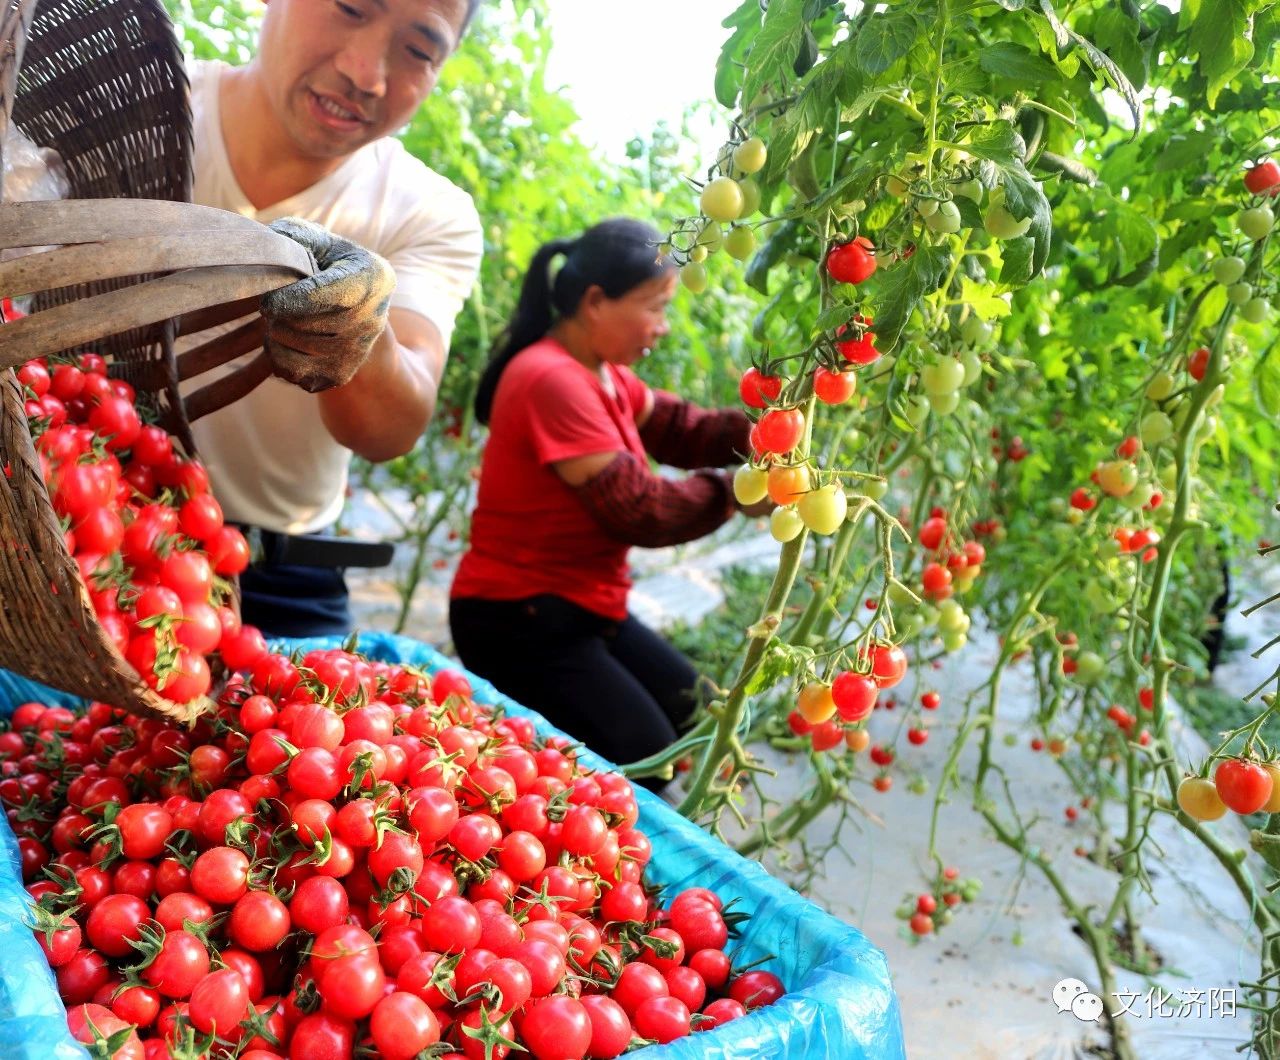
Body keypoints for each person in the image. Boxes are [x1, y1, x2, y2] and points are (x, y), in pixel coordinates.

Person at [182, 0, 485, 637]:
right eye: (350, 7)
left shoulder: (426, 215)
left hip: (278, 577)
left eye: (419, 50)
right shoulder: (145, 108)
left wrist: (360, 331)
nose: (365, 72)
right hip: (73, 513)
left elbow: (392, 428)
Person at [449, 218, 767, 781]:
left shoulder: (604, 375)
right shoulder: (551, 379)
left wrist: (765, 431)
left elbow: (678, 428)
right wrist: (737, 493)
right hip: (517, 617)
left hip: (580, 605)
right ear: (596, 302)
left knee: (700, 712)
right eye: (655, 307)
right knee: (646, 756)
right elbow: (639, 509)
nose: (664, 327)